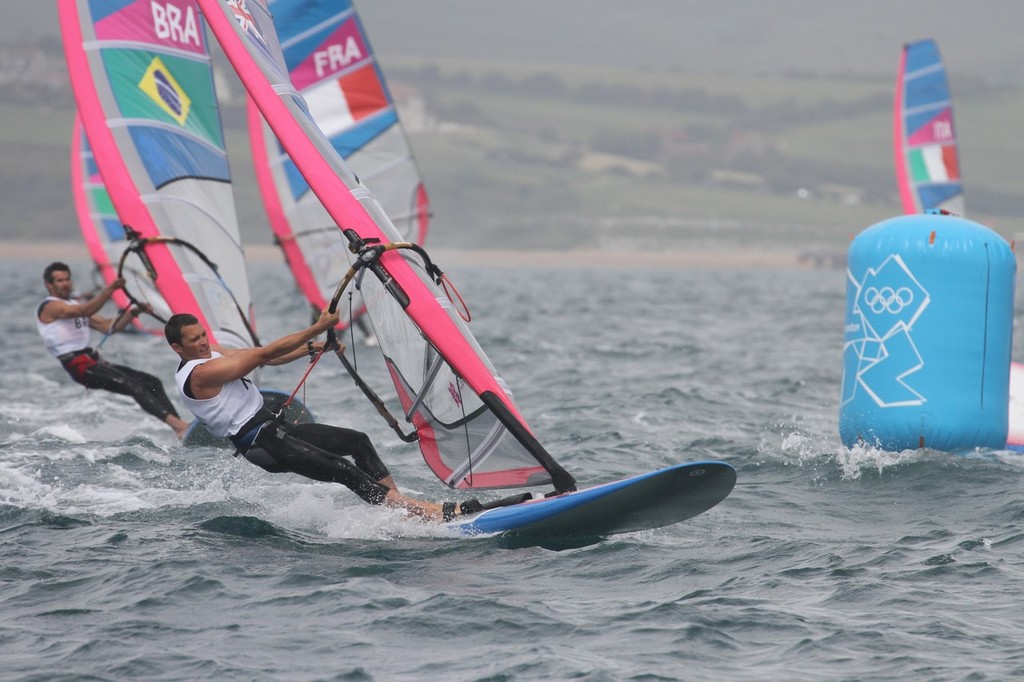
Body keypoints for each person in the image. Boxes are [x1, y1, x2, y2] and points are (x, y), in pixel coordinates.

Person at [163, 308, 483, 522]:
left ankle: (401, 508)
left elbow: (269, 361)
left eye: (203, 334)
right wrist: (317, 328)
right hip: (261, 444)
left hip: (274, 428)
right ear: (178, 348)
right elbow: (263, 354)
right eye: (195, 340)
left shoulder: (212, 353)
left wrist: (316, 347)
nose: (204, 342)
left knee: (358, 441)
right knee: (344, 470)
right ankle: (429, 513)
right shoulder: (200, 374)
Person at [37, 262, 190, 438]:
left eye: (67, 279)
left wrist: (133, 312)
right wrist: (111, 289)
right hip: (78, 366)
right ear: (49, 285)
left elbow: (107, 326)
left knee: (152, 382)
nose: (65, 283)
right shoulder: (51, 306)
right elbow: (83, 309)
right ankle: (179, 426)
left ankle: (180, 430)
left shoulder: (72, 305)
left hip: (92, 361)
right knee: (132, 385)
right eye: (59, 280)